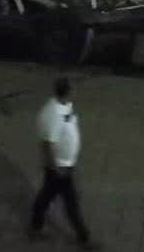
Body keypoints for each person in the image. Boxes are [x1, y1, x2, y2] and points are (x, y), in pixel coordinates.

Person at [29, 78, 98, 248]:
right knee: (71, 203)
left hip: (64, 165)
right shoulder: (52, 114)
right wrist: (56, 168)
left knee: (46, 196)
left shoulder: (64, 106)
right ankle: (84, 238)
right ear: (68, 92)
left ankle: (35, 227)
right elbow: (47, 145)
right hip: (59, 168)